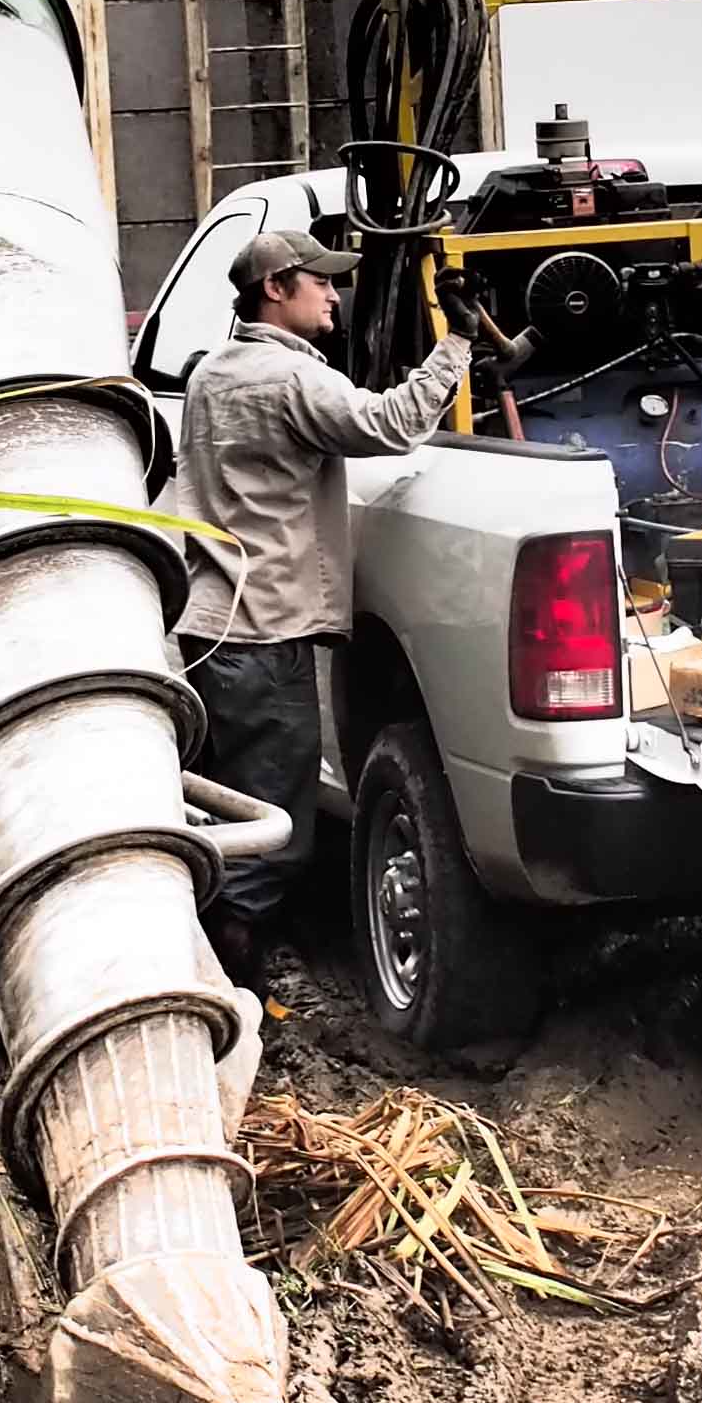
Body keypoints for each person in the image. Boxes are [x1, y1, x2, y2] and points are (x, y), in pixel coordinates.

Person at [174, 229, 472, 986]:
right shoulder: (287, 380)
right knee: (273, 838)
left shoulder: (212, 372)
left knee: (227, 819)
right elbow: (391, 425)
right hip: (264, 635)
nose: (334, 294)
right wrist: (458, 343)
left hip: (212, 630)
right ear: (275, 288)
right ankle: (230, 1000)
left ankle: (210, 974)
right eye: (320, 282)